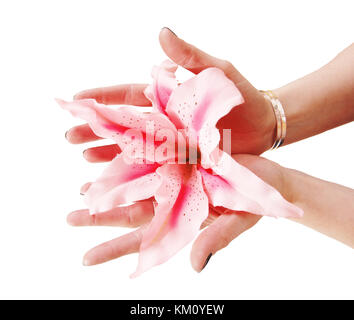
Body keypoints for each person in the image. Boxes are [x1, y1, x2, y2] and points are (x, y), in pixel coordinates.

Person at [64, 28, 354, 272]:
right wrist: (272, 121)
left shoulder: (198, 151)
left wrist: (289, 190)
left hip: (205, 160)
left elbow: (172, 84)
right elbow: (163, 86)